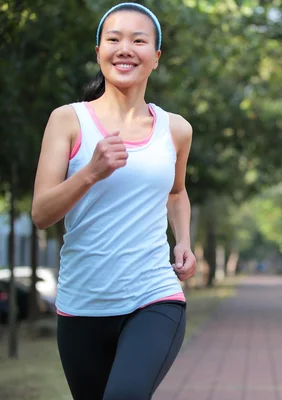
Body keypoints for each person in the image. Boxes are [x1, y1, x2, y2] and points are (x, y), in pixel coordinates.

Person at [31, 3, 196, 399]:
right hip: (82, 302)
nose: (125, 48)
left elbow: (176, 191)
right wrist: (90, 171)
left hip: (153, 296)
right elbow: (41, 213)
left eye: (139, 40)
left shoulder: (176, 129)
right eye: (114, 39)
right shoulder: (68, 121)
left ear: (155, 58)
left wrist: (184, 241)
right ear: (99, 51)